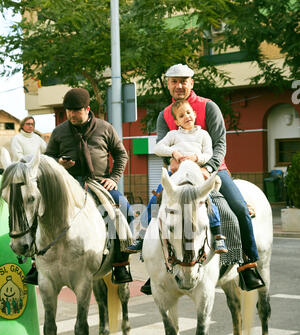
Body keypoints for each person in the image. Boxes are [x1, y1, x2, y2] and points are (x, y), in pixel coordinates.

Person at [131, 64, 264, 293]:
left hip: (212, 169)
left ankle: (248, 264)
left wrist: (209, 167)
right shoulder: (165, 115)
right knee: (155, 211)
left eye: (183, 81)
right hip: (180, 172)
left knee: (239, 209)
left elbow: (220, 143)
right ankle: (153, 268)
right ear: (168, 84)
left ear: (191, 83)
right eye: (174, 81)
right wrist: (170, 162)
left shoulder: (208, 107)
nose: (179, 85)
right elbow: (163, 146)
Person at [24, 88, 133, 285]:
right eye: (69, 111)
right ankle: (35, 262)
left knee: (125, 209)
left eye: (77, 111)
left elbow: (121, 155)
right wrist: (59, 164)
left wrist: (114, 178)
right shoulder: (58, 132)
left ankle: (121, 264)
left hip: (98, 183)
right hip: (66, 184)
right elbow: (47, 161)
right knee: (37, 209)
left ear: (87, 109)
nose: (72, 115)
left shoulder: (105, 128)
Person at [127, 98, 228, 255]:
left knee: (208, 201)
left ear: (194, 114)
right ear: (176, 121)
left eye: (188, 112)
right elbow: (158, 147)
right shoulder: (173, 134)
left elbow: (209, 153)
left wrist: (196, 158)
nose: (186, 116)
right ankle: (142, 236)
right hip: (176, 174)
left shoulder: (204, 135)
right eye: (181, 116)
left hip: (196, 173)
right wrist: (173, 152)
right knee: (155, 199)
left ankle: (218, 235)